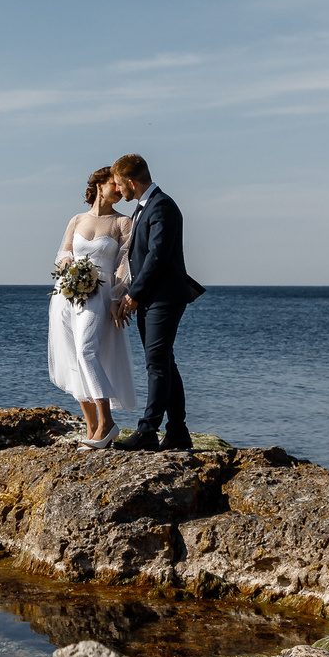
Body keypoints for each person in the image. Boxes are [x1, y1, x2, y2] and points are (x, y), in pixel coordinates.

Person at [107, 154, 203, 451]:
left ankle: (148, 431)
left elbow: (157, 256)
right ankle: (177, 432)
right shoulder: (143, 208)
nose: (118, 189)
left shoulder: (162, 206)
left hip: (164, 297)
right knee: (165, 363)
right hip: (152, 296)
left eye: (119, 184)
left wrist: (134, 295)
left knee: (157, 364)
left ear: (130, 181)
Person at [48, 167, 138, 445]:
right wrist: (66, 263)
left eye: (121, 185)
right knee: (73, 357)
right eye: (114, 184)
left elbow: (124, 264)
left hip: (100, 294)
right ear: (99, 186)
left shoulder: (123, 222)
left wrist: (116, 296)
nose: (119, 189)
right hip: (67, 294)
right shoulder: (77, 219)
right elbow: (64, 251)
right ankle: (92, 430)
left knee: (86, 350)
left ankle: (107, 423)